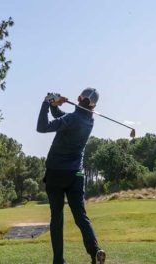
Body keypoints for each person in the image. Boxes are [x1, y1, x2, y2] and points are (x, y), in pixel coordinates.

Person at [37, 88, 106, 264]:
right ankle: (95, 251)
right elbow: (61, 117)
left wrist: (46, 103)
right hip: (76, 174)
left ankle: (58, 260)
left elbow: (42, 127)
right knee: (81, 216)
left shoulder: (71, 119)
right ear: (93, 106)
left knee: (57, 218)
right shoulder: (88, 121)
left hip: (56, 172)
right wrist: (55, 105)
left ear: (78, 98)